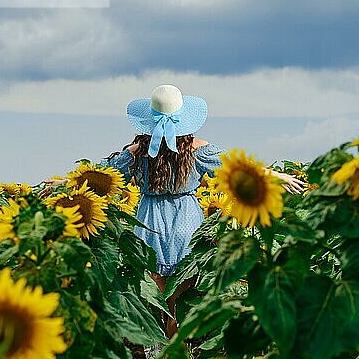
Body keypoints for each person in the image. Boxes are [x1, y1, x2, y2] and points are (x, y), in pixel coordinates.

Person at [99, 84, 304, 337]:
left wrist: (64, 184)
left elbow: (101, 175)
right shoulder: (197, 150)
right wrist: (274, 174)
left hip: (149, 223)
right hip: (186, 222)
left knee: (153, 304)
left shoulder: (137, 152)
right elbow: (237, 168)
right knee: (179, 304)